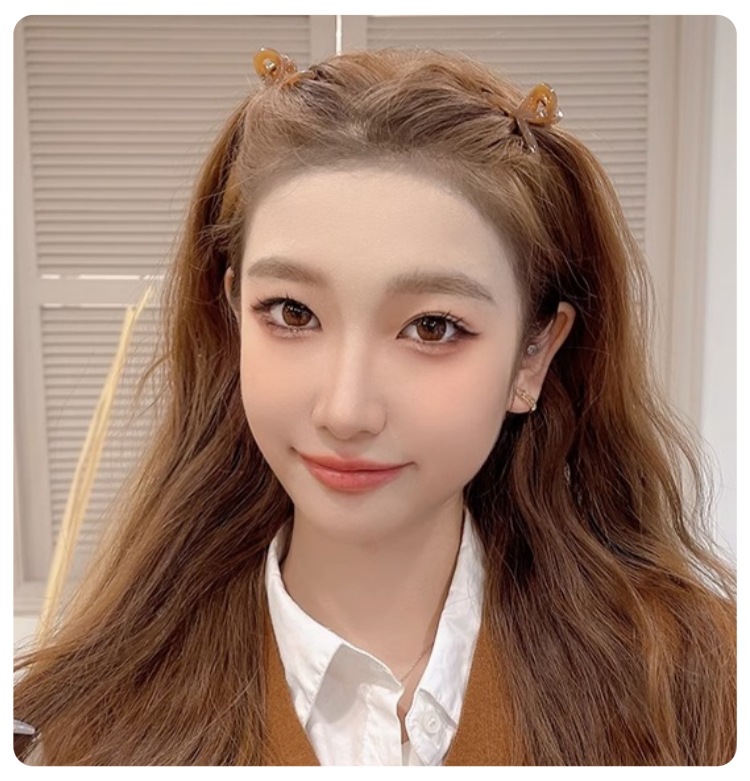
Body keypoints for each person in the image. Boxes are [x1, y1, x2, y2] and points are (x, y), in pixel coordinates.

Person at [14, 46, 736, 766]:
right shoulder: (76, 733)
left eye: (433, 327)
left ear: (533, 354)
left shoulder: (701, 682)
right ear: (233, 317)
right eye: (292, 312)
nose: (346, 410)